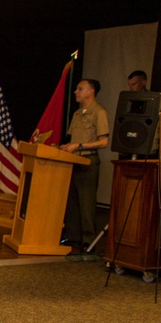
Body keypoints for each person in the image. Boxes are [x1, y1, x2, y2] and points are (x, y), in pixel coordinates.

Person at [60, 79, 109, 249]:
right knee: (72, 201)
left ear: (91, 91)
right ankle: (73, 236)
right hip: (73, 161)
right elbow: (73, 138)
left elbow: (104, 142)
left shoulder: (99, 112)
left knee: (87, 202)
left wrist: (79, 146)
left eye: (80, 89)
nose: (76, 92)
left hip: (88, 161)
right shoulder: (77, 114)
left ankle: (89, 241)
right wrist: (67, 147)